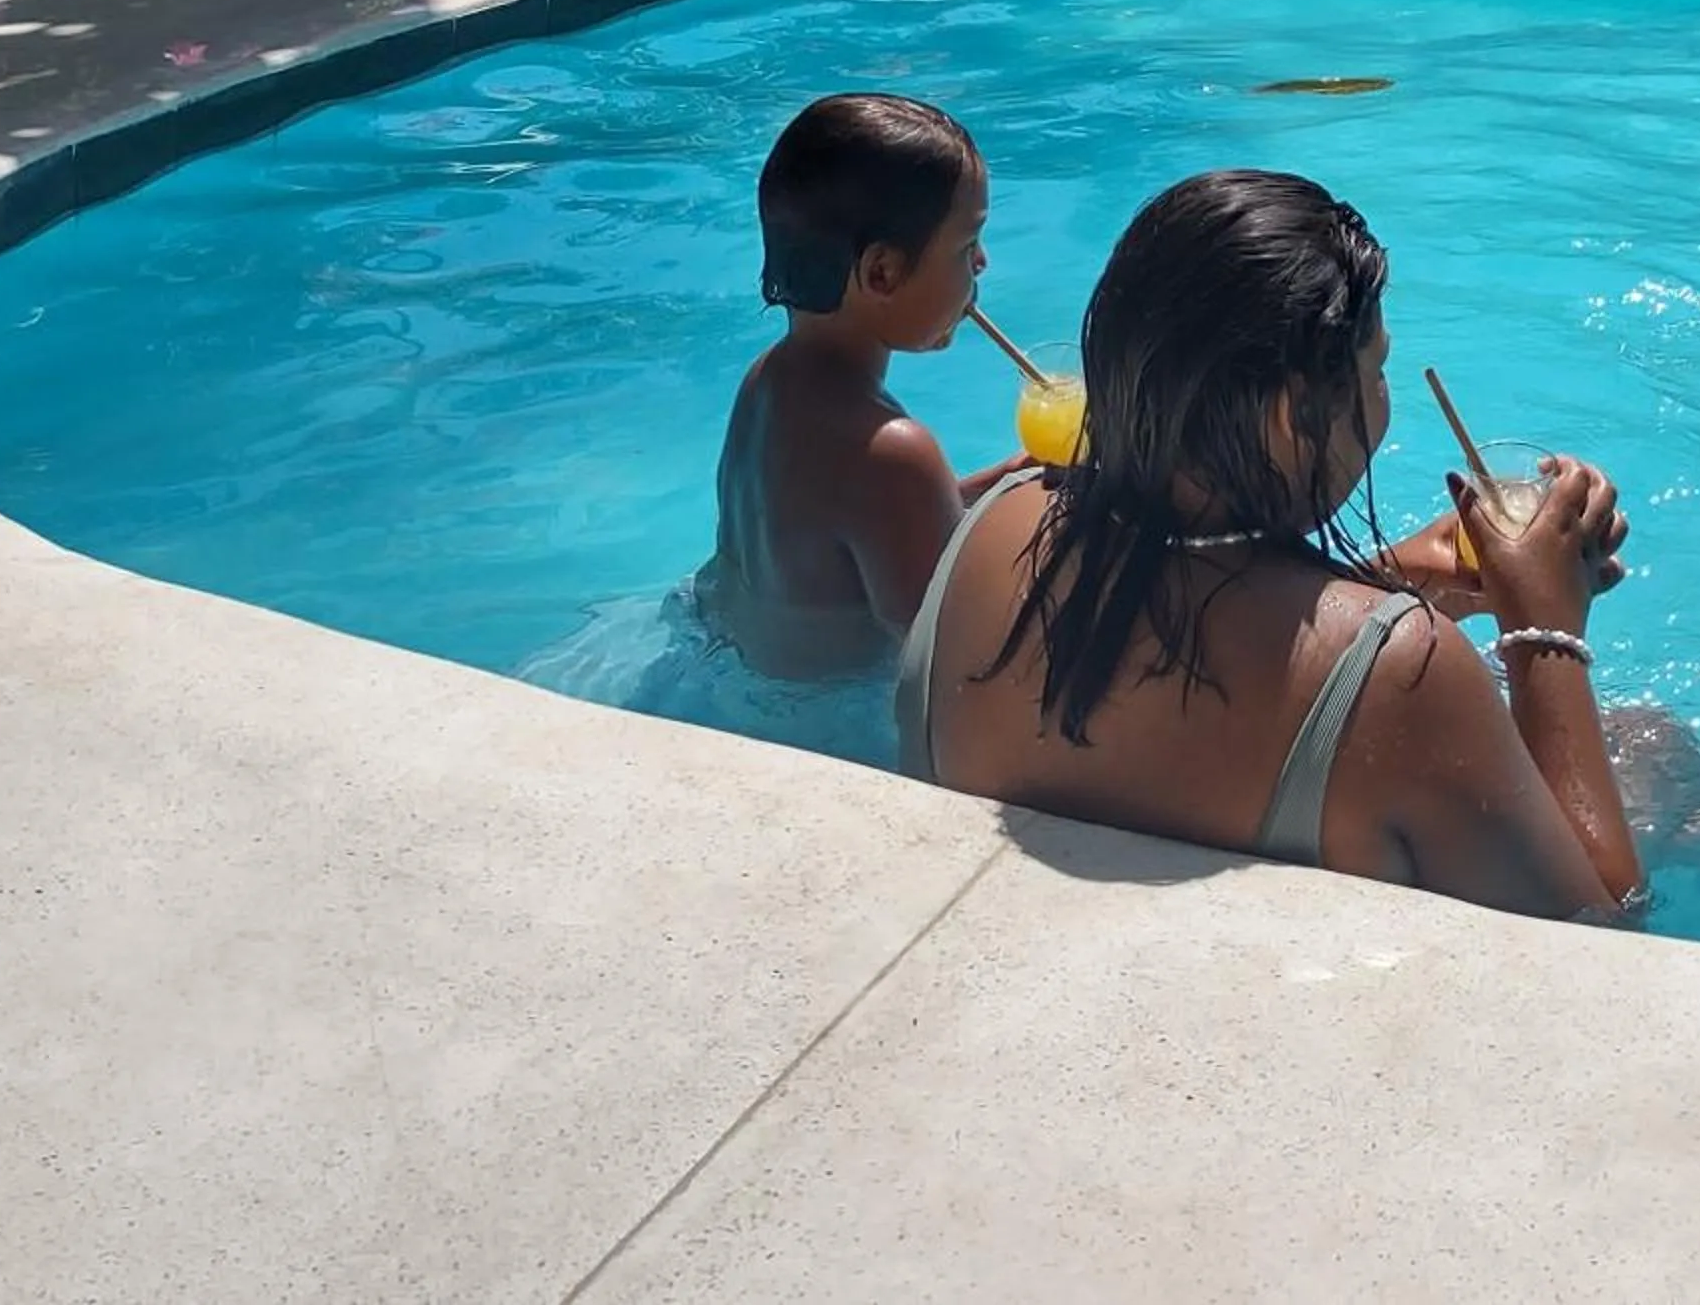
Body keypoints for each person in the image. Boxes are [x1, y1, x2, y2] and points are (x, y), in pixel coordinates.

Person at [896, 169, 1647, 920]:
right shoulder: (1409, 676)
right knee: (1662, 760)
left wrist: (1389, 580)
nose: (1383, 398)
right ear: (1293, 416)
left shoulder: (990, 524)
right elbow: (1599, 929)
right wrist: (1542, 628)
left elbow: (1184, 636)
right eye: (1375, 370)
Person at [694, 93, 1014, 680]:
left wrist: (1016, 478)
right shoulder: (894, 452)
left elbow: (879, 523)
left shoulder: (767, 380)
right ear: (882, 272)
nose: (983, 264)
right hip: (825, 727)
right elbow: (954, 659)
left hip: (732, 671)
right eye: (968, 245)